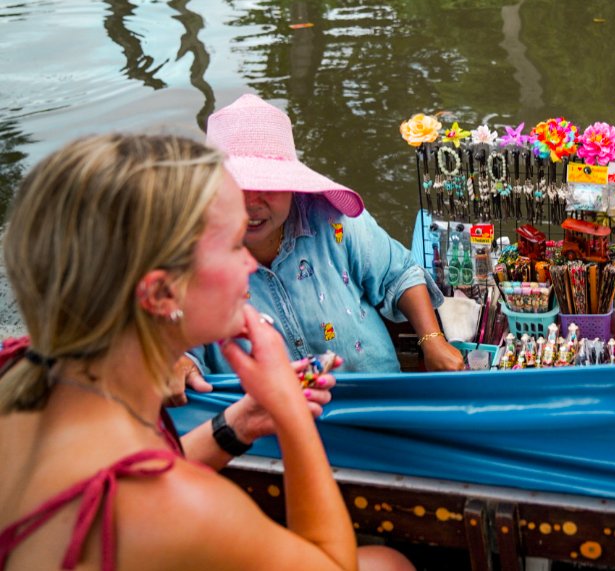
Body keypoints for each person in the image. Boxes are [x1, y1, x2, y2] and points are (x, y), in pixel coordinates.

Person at [0, 133, 409, 570]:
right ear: (160, 294)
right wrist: (290, 416)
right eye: (234, 246)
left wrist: (240, 422)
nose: (251, 265)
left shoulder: (20, 370)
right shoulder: (185, 509)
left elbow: (120, 472)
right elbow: (333, 566)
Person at [184, 94, 463, 383]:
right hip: (266, 417)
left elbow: (399, 274)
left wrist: (432, 340)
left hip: (372, 394)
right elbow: (175, 339)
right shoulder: (191, 257)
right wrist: (182, 363)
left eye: (268, 185)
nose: (252, 202)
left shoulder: (332, 219)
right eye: (237, 185)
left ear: (291, 185)